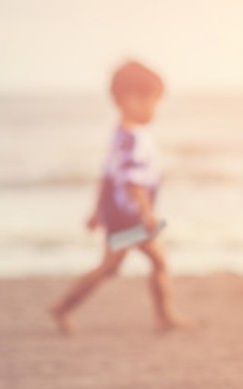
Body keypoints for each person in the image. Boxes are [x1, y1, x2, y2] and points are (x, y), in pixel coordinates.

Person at [50, 60, 188, 334]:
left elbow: (107, 175)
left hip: (122, 214)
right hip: (130, 217)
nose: (155, 109)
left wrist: (96, 210)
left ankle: (165, 316)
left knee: (152, 262)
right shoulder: (131, 138)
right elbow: (131, 181)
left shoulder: (123, 133)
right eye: (152, 102)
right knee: (112, 266)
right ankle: (62, 308)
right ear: (128, 101)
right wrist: (147, 213)